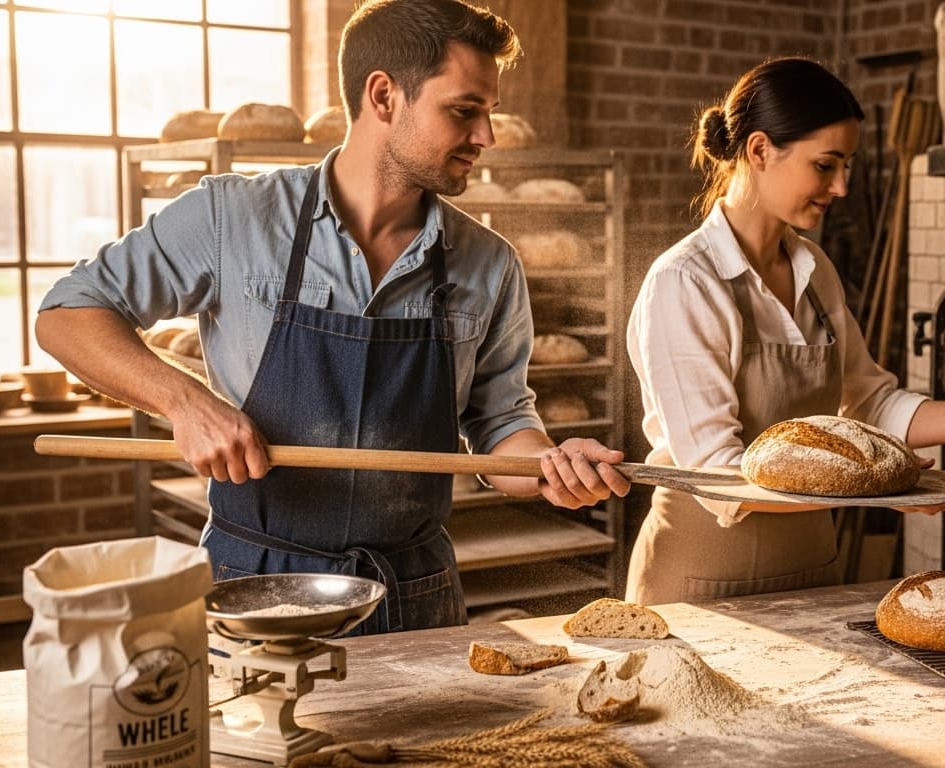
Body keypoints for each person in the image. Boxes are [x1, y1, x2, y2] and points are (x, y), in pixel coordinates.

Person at [35, 0, 629, 635]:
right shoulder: (232, 219)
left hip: (413, 596)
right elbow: (67, 313)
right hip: (254, 587)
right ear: (383, 96)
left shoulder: (489, 264)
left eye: (488, 112)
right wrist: (186, 403)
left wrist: (550, 468)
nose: (485, 136)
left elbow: (501, 424)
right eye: (464, 110)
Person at [625, 57, 945, 605]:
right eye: (825, 165)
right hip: (702, 584)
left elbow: (870, 405)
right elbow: (719, 478)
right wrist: (892, 491)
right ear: (760, 150)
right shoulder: (686, 281)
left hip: (815, 574)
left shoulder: (812, 269)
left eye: (848, 166)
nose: (841, 186)